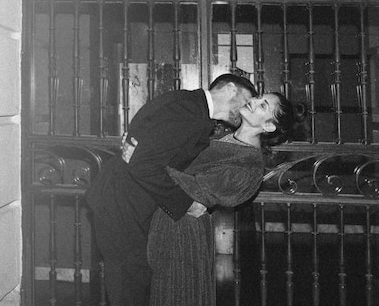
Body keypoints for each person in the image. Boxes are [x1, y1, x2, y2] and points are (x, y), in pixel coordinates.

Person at [85, 74, 257, 306]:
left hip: (122, 202)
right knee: (130, 288)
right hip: (121, 206)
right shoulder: (188, 112)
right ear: (229, 89)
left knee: (133, 283)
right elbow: (144, 165)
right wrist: (187, 203)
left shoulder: (188, 105)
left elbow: (146, 153)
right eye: (246, 101)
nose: (246, 108)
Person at [123, 92, 301, 306]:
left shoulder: (250, 166)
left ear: (269, 126)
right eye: (258, 97)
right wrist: (147, 154)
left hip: (184, 231)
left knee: (176, 295)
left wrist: (143, 158)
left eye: (263, 105)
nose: (253, 101)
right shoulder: (219, 136)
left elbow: (194, 190)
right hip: (168, 217)